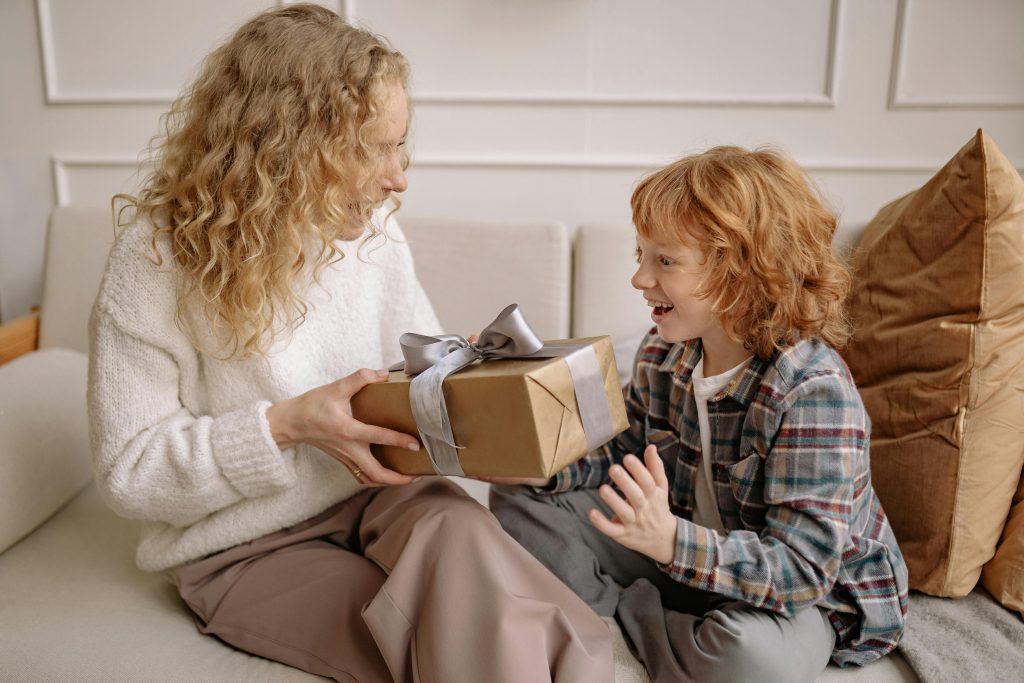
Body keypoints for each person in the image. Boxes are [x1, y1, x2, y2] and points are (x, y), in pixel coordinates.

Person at [87, 5, 612, 682]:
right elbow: (128, 472)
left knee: (464, 541)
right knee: (450, 635)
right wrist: (284, 426)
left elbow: (408, 388)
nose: (398, 177)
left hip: (382, 495)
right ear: (285, 146)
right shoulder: (154, 263)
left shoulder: (374, 237)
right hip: (242, 546)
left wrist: (470, 392)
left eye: (399, 145)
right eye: (373, 147)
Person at [488, 146, 909, 683]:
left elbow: (803, 570)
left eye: (665, 261)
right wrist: (544, 467)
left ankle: (626, 615)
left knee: (746, 658)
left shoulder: (812, 392)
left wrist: (668, 542)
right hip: (691, 550)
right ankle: (654, 619)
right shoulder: (663, 353)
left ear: (744, 272)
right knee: (521, 496)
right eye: (641, 256)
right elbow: (623, 455)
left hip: (802, 597)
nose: (640, 279)